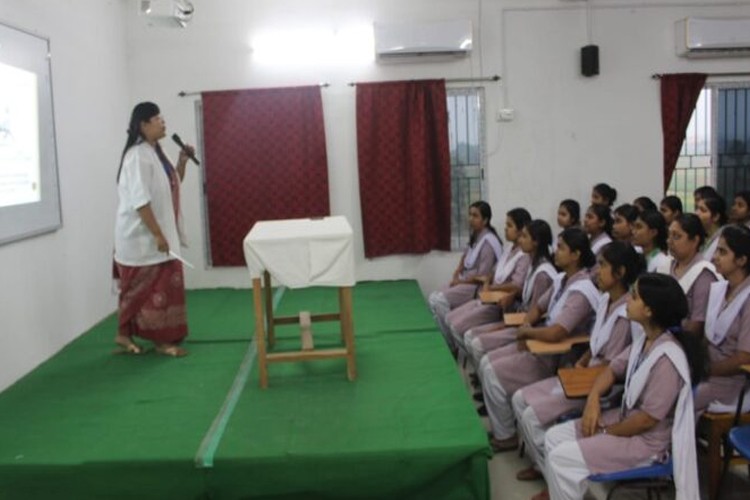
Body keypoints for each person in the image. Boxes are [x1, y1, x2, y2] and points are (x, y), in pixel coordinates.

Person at [544, 273, 702, 500]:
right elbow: (611, 369)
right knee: (553, 437)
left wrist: (605, 432)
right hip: (624, 422)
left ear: (649, 311)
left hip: (647, 443)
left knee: (561, 459)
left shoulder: (668, 358)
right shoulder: (646, 340)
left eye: (634, 297)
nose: (627, 299)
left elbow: (647, 420)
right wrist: (593, 400)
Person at [513, 241, 644, 490]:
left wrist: (583, 375)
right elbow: (594, 346)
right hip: (584, 377)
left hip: (604, 389)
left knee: (531, 415)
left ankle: (555, 474)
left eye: (603, 266)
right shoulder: (606, 300)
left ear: (620, 273)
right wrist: (581, 364)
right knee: (520, 398)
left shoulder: (627, 313)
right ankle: (549, 471)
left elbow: (612, 365)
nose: (596, 271)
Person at [479, 227, 599, 453]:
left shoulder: (581, 290)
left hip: (556, 357)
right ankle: (505, 430)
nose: (556, 252)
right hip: (541, 344)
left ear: (576, 255)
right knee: (487, 363)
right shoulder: (563, 278)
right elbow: (539, 306)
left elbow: (557, 333)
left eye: (562, 248)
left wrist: (528, 332)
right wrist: (526, 325)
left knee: (492, 374)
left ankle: (506, 435)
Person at [113, 101, 195, 357]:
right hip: (142, 239)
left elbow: (173, 184)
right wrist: (158, 234)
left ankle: (126, 335)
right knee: (146, 292)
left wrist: (182, 162)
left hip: (160, 236)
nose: (163, 122)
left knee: (164, 288)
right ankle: (159, 341)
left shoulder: (157, 151)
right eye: (157, 118)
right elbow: (141, 202)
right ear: (143, 125)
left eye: (162, 117)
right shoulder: (137, 156)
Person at [463, 220, 557, 369]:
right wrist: (513, 295)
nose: (520, 240)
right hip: (519, 319)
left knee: (477, 345)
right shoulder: (534, 263)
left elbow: (535, 315)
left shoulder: (542, 275)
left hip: (528, 328)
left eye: (524, 237)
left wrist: (507, 327)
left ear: (536, 242)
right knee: (471, 337)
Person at [446, 208, 531, 345]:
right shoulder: (510, 249)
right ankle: (455, 351)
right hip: (489, 296)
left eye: (509, 226)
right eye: (506, 225)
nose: (505, 229)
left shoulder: (524, 256)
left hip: (501, 304)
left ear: (521, 230)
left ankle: (457, 354)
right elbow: (492, 271)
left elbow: (517, 285)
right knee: (449, 318)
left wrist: (492, 288)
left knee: (458, 327)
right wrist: (487, 286)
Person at [429, 201, 503, 350]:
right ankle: (445, 339)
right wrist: (457, 272)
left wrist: (460, 282)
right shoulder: (476, 235)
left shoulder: (489, 241)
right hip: (465, 280)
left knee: (439, 301)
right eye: (470, 215)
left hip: (476, 286)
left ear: (486, 220)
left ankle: (451, 345)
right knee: (432, 298)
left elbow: (482, 275)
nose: (470, 219)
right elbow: (466, 257)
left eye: (475, 216)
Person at [694, 224, 750, 414]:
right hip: (707, 372)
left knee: (675, 398)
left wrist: (707, 370)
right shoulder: (719, 290)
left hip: (731, 383)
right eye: (716, 249)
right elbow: (707, 338)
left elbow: (744, 357)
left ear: (742, 260)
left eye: (723, 252)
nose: (715, 256)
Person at [668, 214, 719, 338]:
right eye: (669, 235)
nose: (669, 241)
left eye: (677, 236)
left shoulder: (703, 273)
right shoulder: (667, 265)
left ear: (695, 240)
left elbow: (698, 323)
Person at [631, 209, 671, 273]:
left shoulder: (663, 263)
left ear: (653, 232)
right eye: (634, 227)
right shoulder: (638, 257)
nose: (633, 232)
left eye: (639, 227)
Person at [696, 195, 727, 261]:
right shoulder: (705, 236)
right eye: (697, 209)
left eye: (703, 210)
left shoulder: (722, 239)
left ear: (715, 216)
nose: (696, 213)